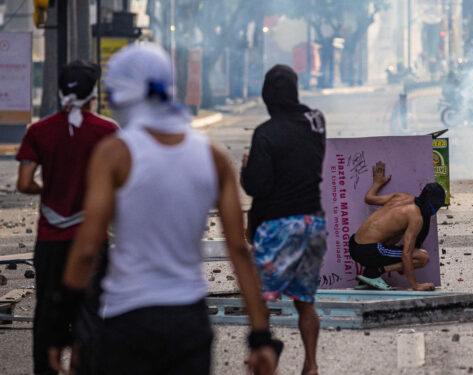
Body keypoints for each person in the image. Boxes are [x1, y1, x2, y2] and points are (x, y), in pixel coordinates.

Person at [48, 44, 281, 375]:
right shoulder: (213, 157)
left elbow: (86, 250)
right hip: (189, 321)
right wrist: (260, 338)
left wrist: (60, 329)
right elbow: (239, 251)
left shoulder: (114, 153)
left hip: (127, 318)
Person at [15, 60, 118, 375]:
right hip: (92, 240)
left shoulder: (39, 131)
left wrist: (44, 189)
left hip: (50, 241)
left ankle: (46, 368)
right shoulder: (108, 131)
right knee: (90, 312)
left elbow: (23, 183)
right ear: (93, 93)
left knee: (47, 311)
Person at [240, 64, 327, 375]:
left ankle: (264, 358)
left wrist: (245, 170)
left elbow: (258, 187)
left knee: (260, 299)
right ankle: (311, 365)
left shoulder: (265, 133)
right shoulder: (316, 121)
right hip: (313, 223)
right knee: (305, 301)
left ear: (267, 95)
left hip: (278, 226)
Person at [350, 161, 444, 291]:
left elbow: (369, 198)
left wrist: (377, 184)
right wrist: (416, 285)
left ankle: (370, 276)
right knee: (422, 257)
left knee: (396, 235)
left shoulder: (402, 196)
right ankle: (374, 272)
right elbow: (407, 253)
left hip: (354, 244)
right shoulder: (416, 217)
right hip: (368, 250)